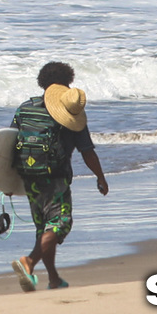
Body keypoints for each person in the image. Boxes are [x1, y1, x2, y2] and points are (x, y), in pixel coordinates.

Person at [10, 61, 108, 292]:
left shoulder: (25, 108)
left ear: (42, 82)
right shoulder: (71, 115)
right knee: (60, 224)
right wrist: (101, 177)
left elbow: (8, 143)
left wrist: (6, 181)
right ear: (67, 84)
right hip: (56, 178)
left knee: (44, 229)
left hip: (28, 177)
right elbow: (87, 152)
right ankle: (29, 262)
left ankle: (53, 279)